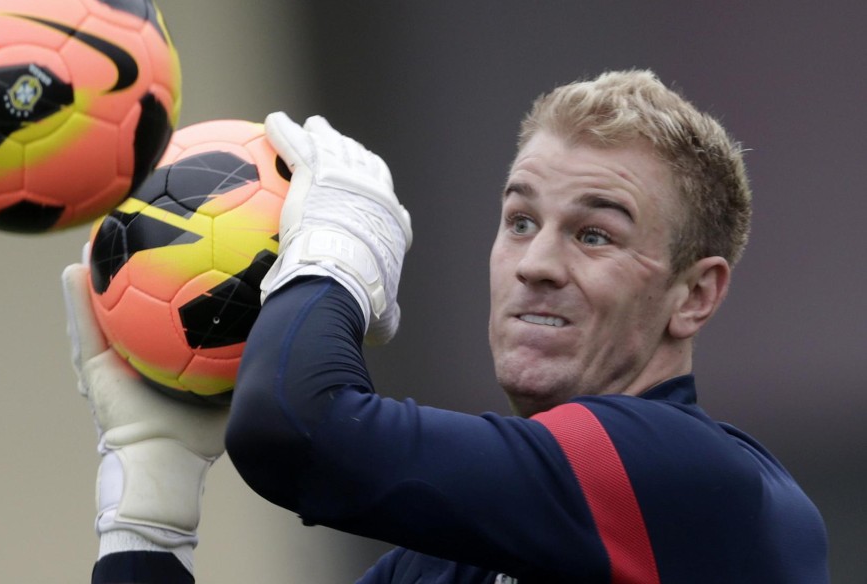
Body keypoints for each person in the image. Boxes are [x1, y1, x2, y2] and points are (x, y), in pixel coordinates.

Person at [62, 69, 829, 583]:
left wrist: (334, 254)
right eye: (520, 220)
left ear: (694, 296)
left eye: (594, 234)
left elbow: (299, 432)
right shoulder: (445, 566)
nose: (536, 263)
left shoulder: (697, 480)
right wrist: (146, 525)